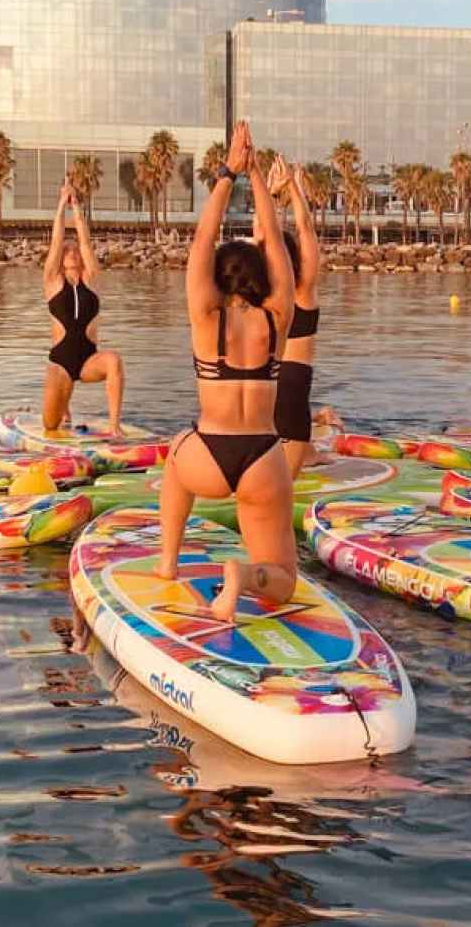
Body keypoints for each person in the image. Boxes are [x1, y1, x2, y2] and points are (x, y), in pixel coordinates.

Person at [157, 121, 297, 622]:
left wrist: (228, 172)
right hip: (262, 455)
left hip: (208, 455)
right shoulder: (277, 317)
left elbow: (202, 237)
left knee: (175, 456)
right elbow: (276, 242)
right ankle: (246, 576)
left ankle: (168, 562)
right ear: (259, 277)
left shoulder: (205, 318)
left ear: (218, 279)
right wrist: (258, 176)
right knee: (283, 579)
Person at [41, 181, 126, 436]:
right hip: (61, 362)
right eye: (68, 250)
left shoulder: (92, 280)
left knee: (114, 361)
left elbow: (86, 242)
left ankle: (114, 425)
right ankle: (64, 407)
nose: (72, 251)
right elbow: (57, 241)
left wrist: (76, 206)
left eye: (75, 250)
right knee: (50, 424)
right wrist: (61, 205)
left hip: (89, 359)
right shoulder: (53, 282)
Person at [271, 160, 335, 474]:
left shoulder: (265, 297)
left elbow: (265, 236)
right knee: (283, 490)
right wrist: (293, 188)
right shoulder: (303, 293)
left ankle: (311, 448)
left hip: (261, 385)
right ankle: (309, 450)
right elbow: (306, 229)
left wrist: (270, 195)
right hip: (293, 387)